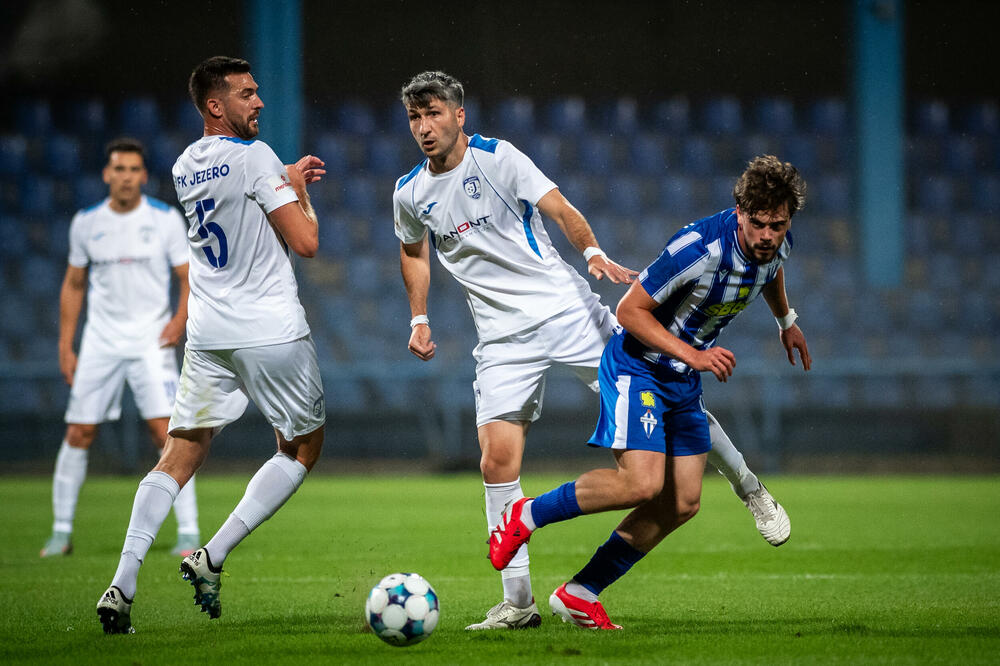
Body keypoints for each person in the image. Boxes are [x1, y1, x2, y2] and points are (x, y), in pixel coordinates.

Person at [393, 71, 792, 630]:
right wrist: (419, 316)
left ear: (460, 116)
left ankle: (749, 488)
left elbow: (560, 208)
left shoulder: (499, 158)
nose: (424, 126)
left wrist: (593, 252)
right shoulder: (410, 192)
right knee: (495, 461)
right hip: (502, 338)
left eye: (434, 113)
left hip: (566, 311)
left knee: (665, 380)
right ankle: (518, 604)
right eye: (415, 117)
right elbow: (414, 252)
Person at [488, 155, 812, 629]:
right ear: (738, 211)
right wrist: (696, 355)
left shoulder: (775, 244)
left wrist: (786, 321)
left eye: (777, 226)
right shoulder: (698, 248)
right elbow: (629, 311)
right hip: (638, 368)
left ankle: (579, 592)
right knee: (641, 484)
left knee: (683, 502)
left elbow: (769, 271)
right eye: (758, 224)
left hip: (680, 376)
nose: (767, 235)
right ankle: (524, 513)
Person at [95, 55, 327, 635]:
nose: (260, 102)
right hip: (269, 329)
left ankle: (122, 583)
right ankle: (211, 555)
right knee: (301, 449)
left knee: (179, 454)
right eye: (247, 94)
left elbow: (237, 208)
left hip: (208, 333)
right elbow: (306, 243)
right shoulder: (256, 157)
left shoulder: (182, 165)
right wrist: (297, 191)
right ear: (215, 105)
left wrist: (279, 180)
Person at [40, 137, 200, 560]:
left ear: (143, 176)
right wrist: (66, 344)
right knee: (79, 431)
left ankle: (188, 532)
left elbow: (187, 277)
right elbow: (73, 284)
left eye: (133, 170)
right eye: (119, 169)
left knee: (167, 433)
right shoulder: (86, 222)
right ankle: (60, 533)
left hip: (152, 340)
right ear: (107, 174)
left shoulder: (165, 219)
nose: (126, 177)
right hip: (100, 342)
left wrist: (179, 319)